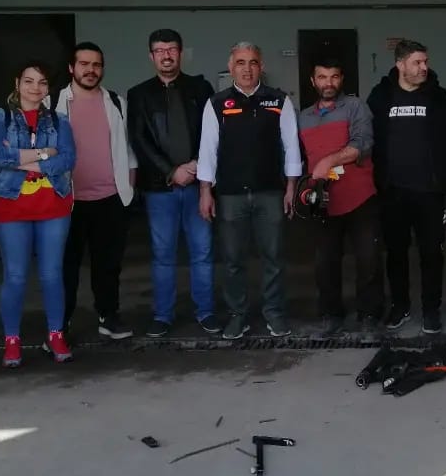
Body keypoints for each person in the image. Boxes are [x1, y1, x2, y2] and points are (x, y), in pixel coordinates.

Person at [197, 42, 302, 340]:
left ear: (261, 66)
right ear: (231, 67)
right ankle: (237, 315)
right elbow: (207, 150)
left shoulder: (278, 101)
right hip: (230, 196)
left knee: (274, 257)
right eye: (240, 63)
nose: (247, 68)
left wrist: (291, 187)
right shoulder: (217, 103)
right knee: (232, 260)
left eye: (253, 62)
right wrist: (205, 191)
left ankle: (274, 312)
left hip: (270, 193)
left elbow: (291, 145)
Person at [127, 29, 216, 338]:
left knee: (202, 251)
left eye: (172, 49)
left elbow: (212, 132)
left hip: (197, 185)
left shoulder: (200, 88)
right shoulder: (139, 94)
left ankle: (206, 312)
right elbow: (139, 139)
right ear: (151, 56)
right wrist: (171, 171)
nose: (166, 55)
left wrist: (196, 165)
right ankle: (163, 315)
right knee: (163, 254)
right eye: (160, 50)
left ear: (181, 53)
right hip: (159, 188)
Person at [0, 61, 77, 368]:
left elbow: (68, 158)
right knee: (15, 276)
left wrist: (19, 160)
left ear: (48, 88)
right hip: (11, 206)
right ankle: (12, 340)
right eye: (29, 81)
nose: (35, 88)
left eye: (41, 82)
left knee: (52, 274)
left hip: (53, 205)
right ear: (17, 83)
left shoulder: (59, 120)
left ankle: (56, 335)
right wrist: (44, 154)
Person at [367, 40, 446, 334]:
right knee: (396, 253)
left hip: (429, 192)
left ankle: (431, 310)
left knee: (432, 253)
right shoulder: (381, 96)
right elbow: (369, 139)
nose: (424, 67)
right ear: (400, 64)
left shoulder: (437, 96)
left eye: (425, 62)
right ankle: (400, 306)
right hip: (393, 191)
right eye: (417, 62)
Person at [56, 41, 138, 341]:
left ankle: (108, 316)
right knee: (66, 266)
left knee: (108, 266)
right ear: (71, 68)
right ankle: (60, 324)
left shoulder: (116, 102)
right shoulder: (53, 103)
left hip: (110, 199)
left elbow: (128, 149)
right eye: (84, 64)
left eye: (96, 65)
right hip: (68, 201)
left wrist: (128, 187)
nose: (90, 70)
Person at [298, 58, 383, 335]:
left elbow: (363, 143)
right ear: (313, 81)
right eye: (322, 77)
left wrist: (328, 162)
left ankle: (369, 315)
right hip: (323, 201)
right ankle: (331, 314)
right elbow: (300, 158)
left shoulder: (356, 107)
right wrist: (300, 189)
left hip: (360, 196)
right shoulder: (304, 117)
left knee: (368, 259)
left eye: (334, 77)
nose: (329, 83)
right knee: (325, 263)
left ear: (341, 79)